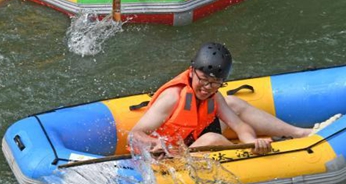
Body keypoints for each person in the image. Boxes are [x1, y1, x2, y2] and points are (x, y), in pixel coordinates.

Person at [130, 43, 318, 156]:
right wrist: (155, 144)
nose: (206, 88)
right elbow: (135, 134)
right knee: (212, 139)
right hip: (168, 156)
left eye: (215, 83)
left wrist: (251, 141)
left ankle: (300, 133)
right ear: (191, 71)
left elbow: (240, 126)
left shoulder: (214, 95)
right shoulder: (172, 97)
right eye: (203, 81)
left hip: (189, 141)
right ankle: (245, 157)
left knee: (233, 103)